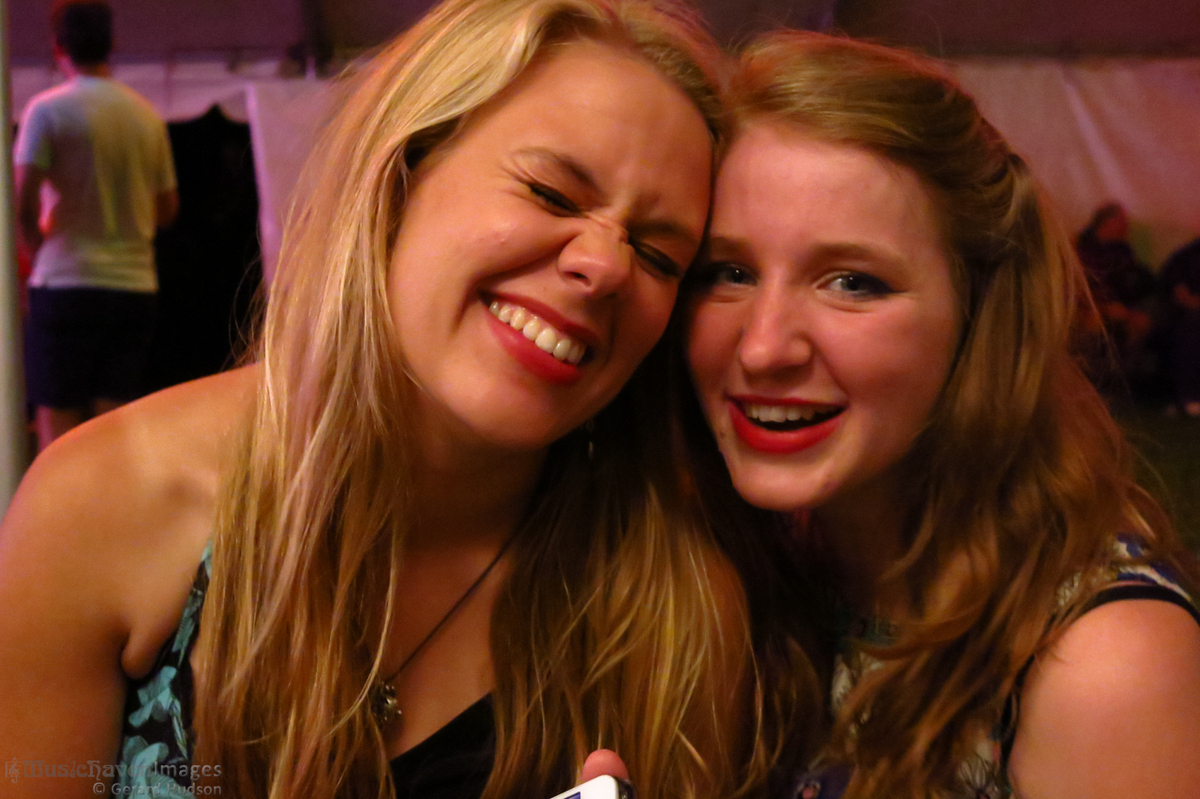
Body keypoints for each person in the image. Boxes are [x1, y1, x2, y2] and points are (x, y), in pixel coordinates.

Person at [0, 2, 814, 798]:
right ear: (401, 173)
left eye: (659, 255)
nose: (605, 265)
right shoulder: (107, 504)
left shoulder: (673, 611)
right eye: (551, 193)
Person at [680, 32, 1200, 799]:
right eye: (729, 271)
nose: (762, 348)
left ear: (978, 315)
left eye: (852, 281)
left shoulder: (1100, 663)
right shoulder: (747, 564)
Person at [13, 0, 179, 452]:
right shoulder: (146, 115)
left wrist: (38, 253)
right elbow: (167, 208)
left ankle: (60, 500)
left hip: (66, 279)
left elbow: (21, 203)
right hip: (134, 285)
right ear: (112, 43)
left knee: (58, 420)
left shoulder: (47, 111)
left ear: (57, 45)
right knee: (114, 421)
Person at [1158, 235, 1200, 416]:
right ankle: (1191, 397)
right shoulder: (1189, 255)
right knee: (1191, 327)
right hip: (1190, 314)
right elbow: (1174, 280)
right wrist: (1186, 298)